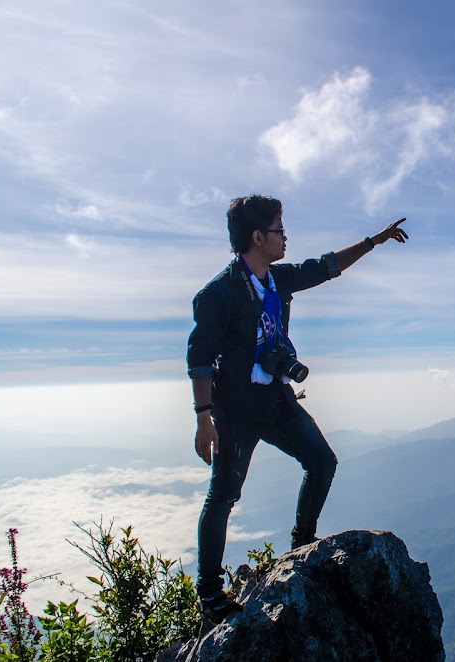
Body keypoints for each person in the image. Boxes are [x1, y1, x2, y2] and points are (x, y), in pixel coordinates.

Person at [186, 194, 408, 621]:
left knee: (322, 462)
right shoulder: (219, 294)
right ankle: (210, 593)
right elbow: (199, 358)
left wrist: (373, 242)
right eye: (279, 230)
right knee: (223, 495)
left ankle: (301, 546)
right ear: (257, 236)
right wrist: (203, 419)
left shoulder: (275, 279)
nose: (285, 237)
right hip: (237, 409)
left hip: (276, 398)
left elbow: (323, 268)